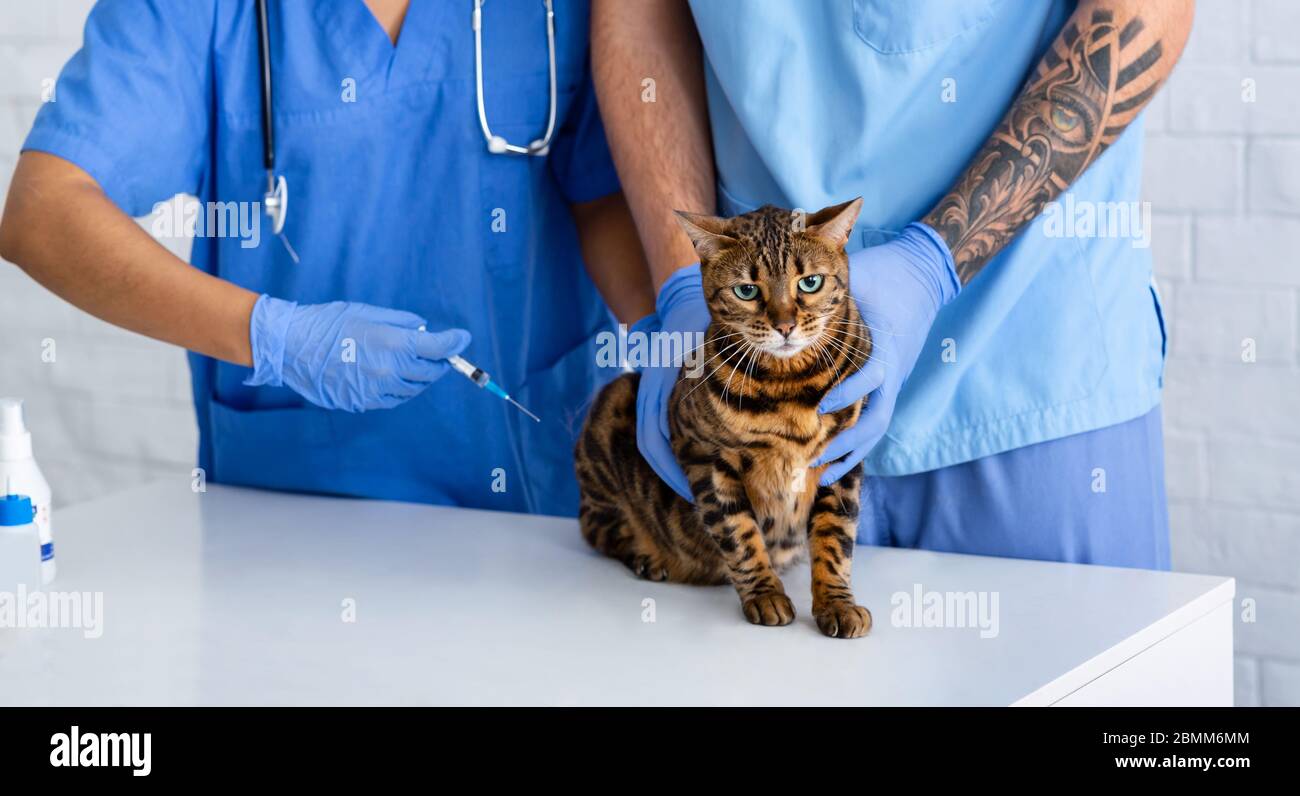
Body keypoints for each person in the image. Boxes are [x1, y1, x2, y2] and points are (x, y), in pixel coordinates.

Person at [594, 0, 1194, 568]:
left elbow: (1147, 10)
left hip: (1027, 367)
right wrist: (682, 281)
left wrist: (934, 263)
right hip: (755, 410)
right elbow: (639, 21)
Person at [0, 0, 653, 516]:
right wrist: (278, 338)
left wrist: (669, 342)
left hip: (536, 498)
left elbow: (599, 194)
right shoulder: (198, 13)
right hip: (298, 516)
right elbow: (44, 212)